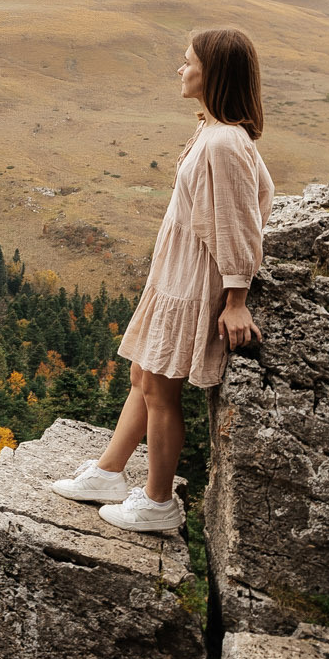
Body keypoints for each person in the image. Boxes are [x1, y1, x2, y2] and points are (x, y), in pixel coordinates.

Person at [50, 27, 275, 530]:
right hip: (175, 273)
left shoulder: (224, 142)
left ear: (213, 73)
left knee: (159, 389)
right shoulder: (213, 131)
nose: (181, 69)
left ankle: (158, 503)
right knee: (143, 374)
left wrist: (236, 299)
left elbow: (237, 224)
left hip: (194, 280)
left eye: (189, 61)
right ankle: (109, 472)